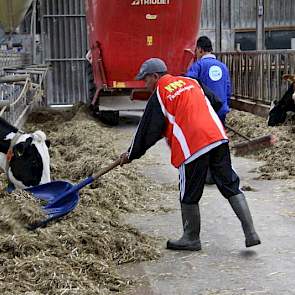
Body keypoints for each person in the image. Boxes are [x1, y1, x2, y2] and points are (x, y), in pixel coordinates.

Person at [119, 58, 261, 251]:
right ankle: (251, 232)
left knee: (188, 192)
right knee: (229, 183)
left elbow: (147, 131)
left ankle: (191, 237)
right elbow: (217, 103)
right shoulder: (191, 81)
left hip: (192, 145)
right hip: (217, 136)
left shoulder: (160, 93)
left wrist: (131, 154)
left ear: (155, 76)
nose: (145, 84)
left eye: (146, 80)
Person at [186, 36, 231, 125]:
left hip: (206, 111)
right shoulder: (223, 67)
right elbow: (228, 90)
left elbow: (189, 84)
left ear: (199, 49)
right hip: (222, 109)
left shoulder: (198, 66)